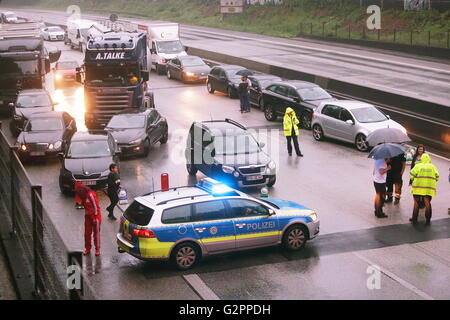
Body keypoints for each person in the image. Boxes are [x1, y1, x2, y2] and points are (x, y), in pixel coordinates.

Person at [409, 153, 439, 225]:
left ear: (421, 158)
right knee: (427, 203)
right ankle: (428, 220)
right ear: (429, 159)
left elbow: (411, 175)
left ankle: (414, 219)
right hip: (429, 188)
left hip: (417, 187)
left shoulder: (417, 166)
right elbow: (437, 177)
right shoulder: (433, 167)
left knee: (416, 203)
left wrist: (413, 179)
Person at [75, 183, 102, 256]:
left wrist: (95, 217)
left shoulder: (91, 194)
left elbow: (96, 206)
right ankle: (88, 248)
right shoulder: (83, 196)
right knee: (87, 233)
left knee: (96, 234)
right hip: (88, 217)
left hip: (95, 217)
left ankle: (97, 249)